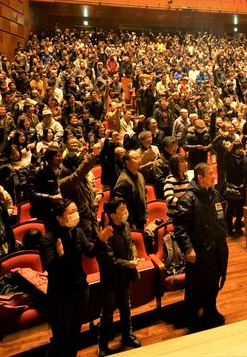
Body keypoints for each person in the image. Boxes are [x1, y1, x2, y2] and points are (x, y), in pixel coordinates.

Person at [39, 199, 113, 357]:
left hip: (80, 289)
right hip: (61, 295)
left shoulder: (78, 232)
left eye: (75, 210)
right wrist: (59, 256)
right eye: (71, 212)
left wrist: (100, 241)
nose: (76, 214)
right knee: (60, 339)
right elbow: (50, 269)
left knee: (74, 335)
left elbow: (90, 253)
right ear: (59, 218)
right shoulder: (48, 240)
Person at [173, 163, 229, 332]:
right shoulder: (188, 199)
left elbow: (221, 218)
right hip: (199, 251)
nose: (214, 176)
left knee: (214, 282)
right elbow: (180, 228)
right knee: (196, 286)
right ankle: (192, 315)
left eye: (214, 173)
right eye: (210, 173)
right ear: (200, 177)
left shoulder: (215, 194)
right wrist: (188, 248)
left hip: (217, 248)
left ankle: (210, 310)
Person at [97, 196, 141, 355]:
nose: (125, 212)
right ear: (112, 215)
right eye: (121, 210)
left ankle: (127, 335)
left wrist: (134, 258)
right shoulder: (107, 233)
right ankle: (102, 344)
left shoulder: (126, 225)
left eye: (125, 208)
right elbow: (110, 260)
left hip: (125, 276)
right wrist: (128, 264)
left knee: (126, 308)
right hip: (111, 279)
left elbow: (131, 245)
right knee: (107, 313)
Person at [113, 150, 148, 230]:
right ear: (127, 162)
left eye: (139, 157)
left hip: (140, 218)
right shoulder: (124, 181)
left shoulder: (140, 175)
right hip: (129, 223)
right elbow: (123, 206)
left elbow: (144, 196)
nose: (139, 160)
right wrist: (131, 224)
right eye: (136, 158)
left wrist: (145, 213)